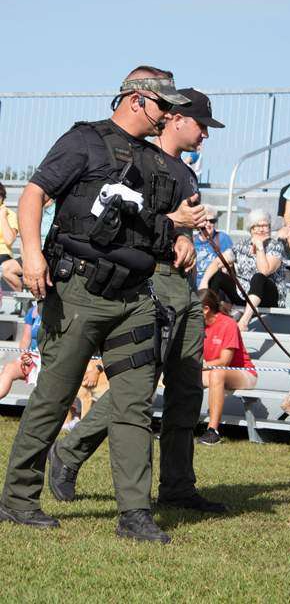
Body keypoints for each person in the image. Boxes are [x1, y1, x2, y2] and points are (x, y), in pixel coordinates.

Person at [0, 66, 196, 543]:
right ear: (135, 99)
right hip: (79, 294)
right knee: (54, 397)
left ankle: (135, 514)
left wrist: (179, 232)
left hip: (134, 299)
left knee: (133, 405)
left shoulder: (158, 163)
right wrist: (29, 252)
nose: (168, 114)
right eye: (162, 104)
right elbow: (33, 195)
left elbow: (152, 223)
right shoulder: (82, 142)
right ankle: (18, 499)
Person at [47, 88, 227, 519]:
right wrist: (173, 229)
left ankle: (179, 487)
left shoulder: (186, 173)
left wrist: (187, 235)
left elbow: (175, 227)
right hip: (150, 283)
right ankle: (70, 450)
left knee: (186, 390)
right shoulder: (140, 162)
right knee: (137, 389)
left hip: (184, 286)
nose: (205, 134)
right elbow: (122, 222)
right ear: (177, 120)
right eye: (201, 125)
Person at [209, 209, 286, 331]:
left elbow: (264, 271)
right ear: (251, 229)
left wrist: (260, 248)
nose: (261, 229)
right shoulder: (241, 245)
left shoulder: (275, 246)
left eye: (265, 225)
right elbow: (218, 262)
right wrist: (203, 282)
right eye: (257, 226)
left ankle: (244, 321)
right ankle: (210, 317)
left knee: (258, 277)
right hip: (243, 294)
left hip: (269, 296)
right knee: (217, 275)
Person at [199, 289, 258, 446]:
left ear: (206, 309)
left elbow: (225, 361)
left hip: (244, 373)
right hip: (211, 371)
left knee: (217, 374)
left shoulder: (228, 324)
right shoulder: (197, 326)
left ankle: (213, 431)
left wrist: (201, 365)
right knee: (184, 375)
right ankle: (175, 427)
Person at [1, 199, 55, 292]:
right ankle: (22, 298)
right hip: (32, 253)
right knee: (7, 268)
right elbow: (24, 239)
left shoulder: (56, 210)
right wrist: (26, 261)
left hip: (48, 254)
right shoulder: (35, 210)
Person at [0, 303, 41, 401]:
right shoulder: (33, 311)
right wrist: (24, 354)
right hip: (32, 356)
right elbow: (25, 339)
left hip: (49, 357)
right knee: (9, 368)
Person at [194, 205, 233, 289]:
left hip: (214, 286)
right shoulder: (192, 240)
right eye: (205, 220)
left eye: (212, 221)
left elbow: (229, 263)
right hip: (194, 286)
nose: (208, 224)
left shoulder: (223, 238)